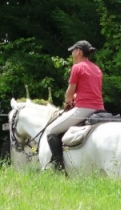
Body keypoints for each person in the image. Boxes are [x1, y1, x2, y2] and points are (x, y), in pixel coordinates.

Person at [43, 40, 105, 170]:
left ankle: (58, 165)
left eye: (73, 51)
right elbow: (90, 91)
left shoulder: (77, 67)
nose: (72, 53)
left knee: (50, 130)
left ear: (79, 51)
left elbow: (70, 92)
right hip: (99, 109)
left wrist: (67, 101)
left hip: (83, 109)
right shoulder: (97, 69)